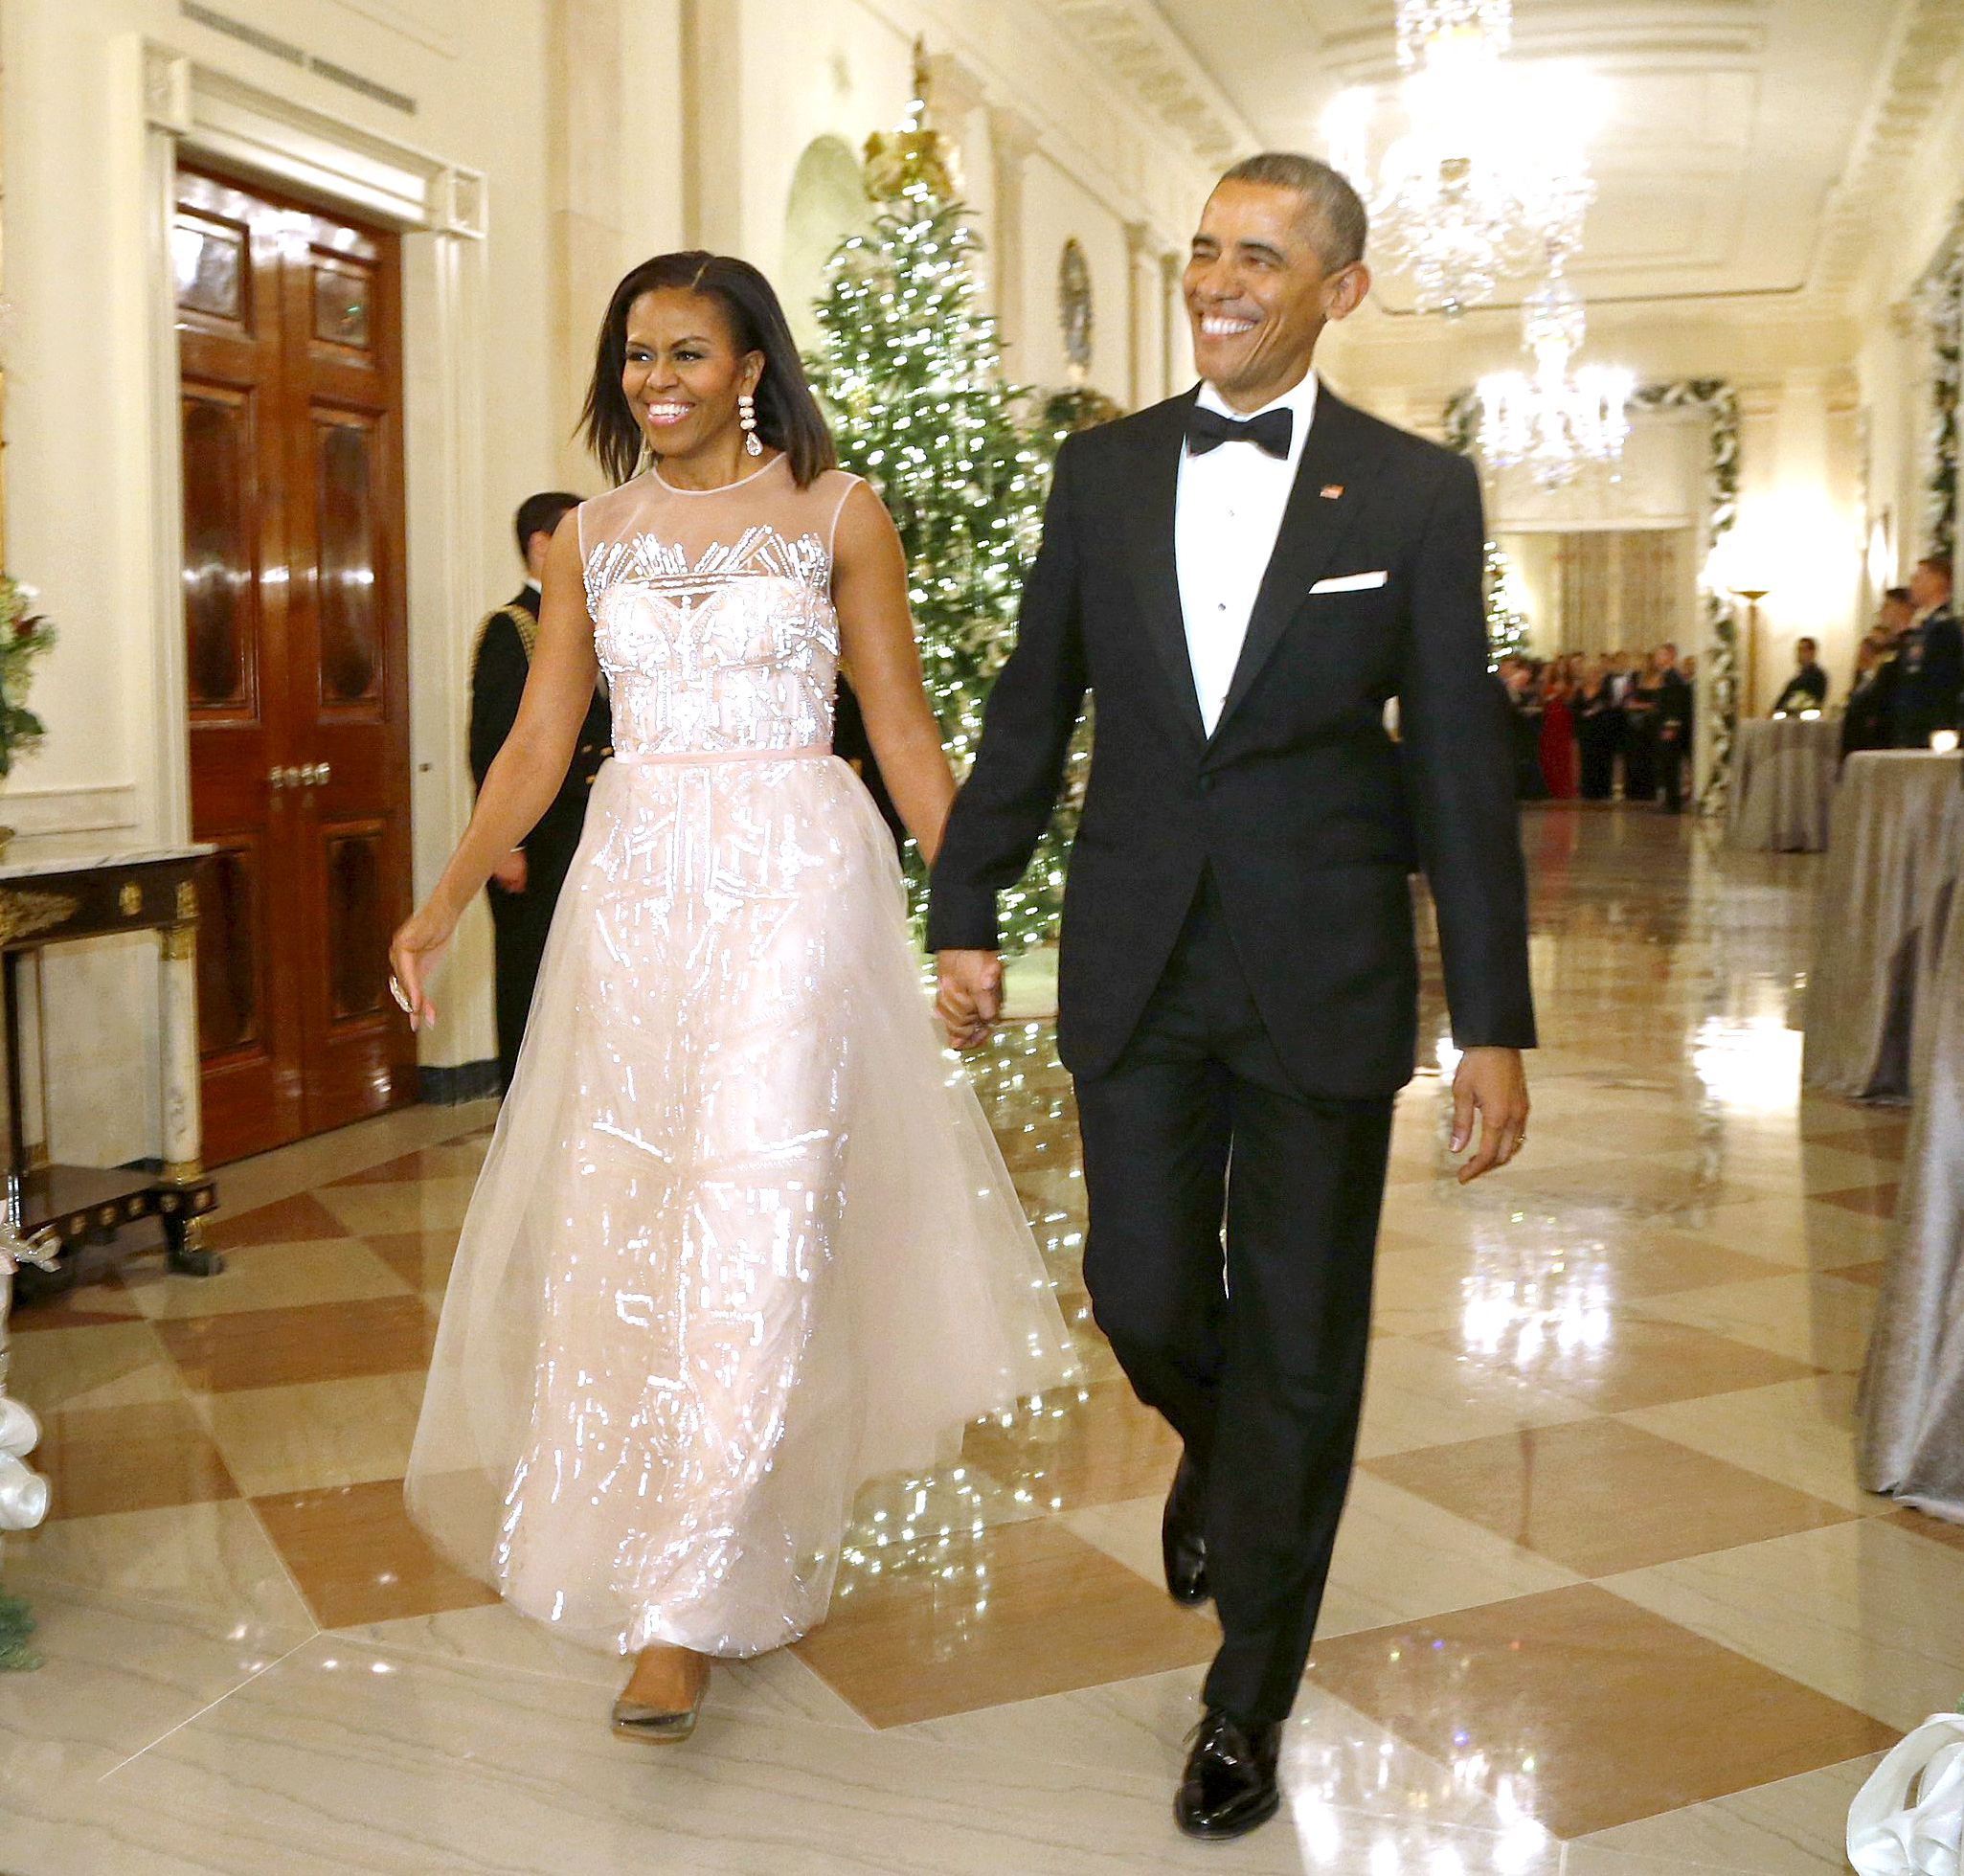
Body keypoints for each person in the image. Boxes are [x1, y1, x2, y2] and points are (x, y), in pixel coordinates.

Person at [928, 153, 1534, 1843]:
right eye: (1202, 248)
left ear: (1335, 288)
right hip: (1137, 956)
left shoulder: (1413, 495)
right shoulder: (1103, 472)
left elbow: (1462, 776)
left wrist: (1491, 1015)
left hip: (1321, 970)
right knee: (1139, 1291)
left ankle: (1245, 1691)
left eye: (1255, 255)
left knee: (1306, 1341)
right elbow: (1032, 699)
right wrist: (964, 901)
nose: (1215, 276)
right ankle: (1220, 1448)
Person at [389, 252, 1073, 1745]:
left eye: (688, 351)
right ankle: (654, 1530)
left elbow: (897, 728)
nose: (656, 379)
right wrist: (443, 897)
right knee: (623, 1215)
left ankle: (682, 1606)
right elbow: (536, 744)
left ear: (752, 364)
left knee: (758, 1214)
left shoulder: (837, 513)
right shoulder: (591, 538)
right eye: (636, 354)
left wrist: (967, 918)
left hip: (792, 883)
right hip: (633, 891)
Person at [469, 493, 615, 1094]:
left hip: (589, 828)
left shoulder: (587, 618)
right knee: (530, 972)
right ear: (541, 546)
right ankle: (522, 1103)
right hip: (539, 835)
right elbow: (496, 742)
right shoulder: (514, 627)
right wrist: (505, 843)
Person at [1891, 555, 1963, 747]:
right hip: (1911, 726)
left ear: (1937, 582)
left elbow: (1943, 684)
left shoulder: (1944, 627)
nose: (1912, 585)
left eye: (1918, 578)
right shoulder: (1924, 627)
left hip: (1929, 729)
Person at [1651, 642, 1692, 813]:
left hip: (1671, 730)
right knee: (1666, 766)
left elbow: (1675, 705)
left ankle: (1673, 804)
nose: (1657, 658)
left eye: (1660, 655)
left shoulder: (1673, 678)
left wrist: (1671, 727)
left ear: (1669, 656)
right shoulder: (1667, 676)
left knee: (1671, 766)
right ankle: (1669, 801)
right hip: (1665, 728)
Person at [1572, 658, 1619, 800]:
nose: (1593, 676)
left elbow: (1612, 710)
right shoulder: (1580, 691)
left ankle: (1604, 791)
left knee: (1603, 763)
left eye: (1596, 673)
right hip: (1585, 732)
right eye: (1590, 673)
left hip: (1602, 734)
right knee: (1587, 762)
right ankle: (1587, 791)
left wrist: (1600, 711)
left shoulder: (1606, 691)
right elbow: (1575, 710)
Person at [1537, 660, 1578, 799]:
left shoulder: (1571, 684)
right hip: (1550, 721)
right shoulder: (1547, 683)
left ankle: (1564, 789)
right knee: (1549, 754)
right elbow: (1542, 699)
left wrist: (1563, 693)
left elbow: (1572, 701)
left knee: (1563, 754)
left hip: (1563, 720)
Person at [1770, 637, 1828, 715]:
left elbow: (1814, 701)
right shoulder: (1797, 679)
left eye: (1803, 650)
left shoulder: (1818, 676)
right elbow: (1783, 700)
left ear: (1812, 652)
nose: (1799, 654)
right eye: (1798, 650)